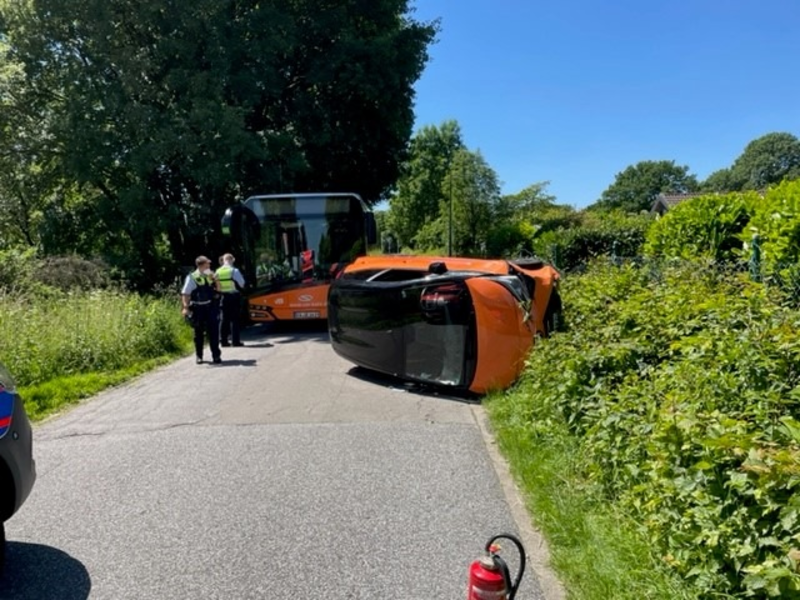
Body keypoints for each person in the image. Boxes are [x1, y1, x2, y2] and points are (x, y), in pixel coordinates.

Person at [181, 256, 222, 364]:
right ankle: (199, 356)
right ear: (202, 265)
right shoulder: (192, 277)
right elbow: (185, 293)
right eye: (207, 264)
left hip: (210, 306)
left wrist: (216, 280)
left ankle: (216, 355)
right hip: (198, 308)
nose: (209, 265)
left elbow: (219, 289)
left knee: (214, 331)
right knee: (198, 333)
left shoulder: (210, 275)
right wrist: (185, 307)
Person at [217, 253, 246, 347]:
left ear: (223, 260)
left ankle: (223, 341)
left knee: (223, 319)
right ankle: (235, 341)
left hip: (223, 297)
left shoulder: (218, 271)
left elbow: (215, 285)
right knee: (234, 319)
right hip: (233, 296)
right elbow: (242, 284)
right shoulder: (234, 271)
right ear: (232, 260)